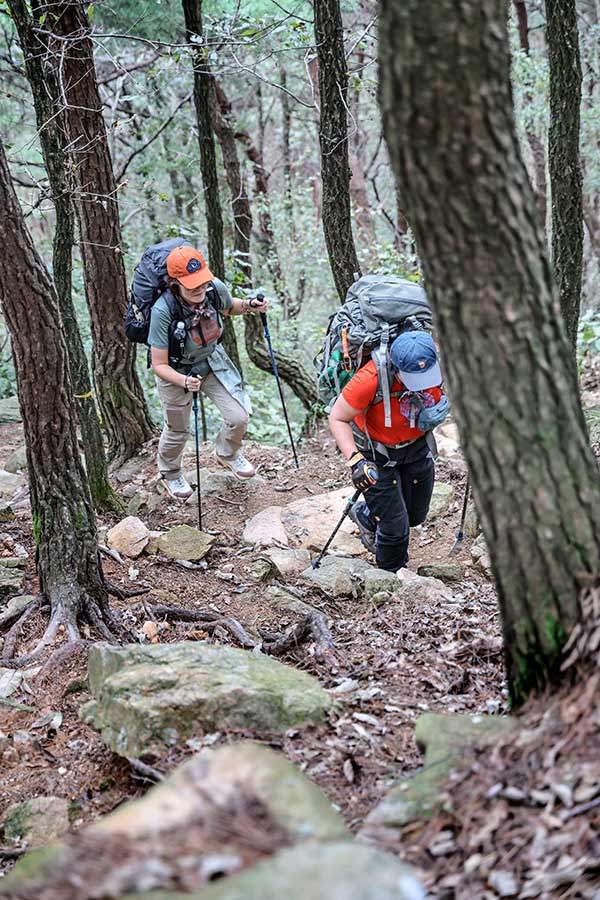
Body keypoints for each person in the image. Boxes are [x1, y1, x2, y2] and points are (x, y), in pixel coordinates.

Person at [148, 245, 267, 499]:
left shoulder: (213, 288)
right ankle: (170, 473)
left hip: (212, 361)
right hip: (176, 371)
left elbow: (228, 307)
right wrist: (184, 381)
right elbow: (158, 364)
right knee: (178, 429)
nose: (200, 290)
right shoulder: (163, 310)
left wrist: (249, 305)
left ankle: (227, 453)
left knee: (239, 416)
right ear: (176, 283)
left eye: (202, 283)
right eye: (192, 287)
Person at [328, 331, 448, 572]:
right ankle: (390, 578)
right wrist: (355, 460)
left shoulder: (435, 361)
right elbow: (338, 417)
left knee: (416, 516)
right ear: (396, 368)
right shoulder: (370, 378)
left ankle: (366, 515)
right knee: (395, 528)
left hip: (416, 446)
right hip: (376, 454)